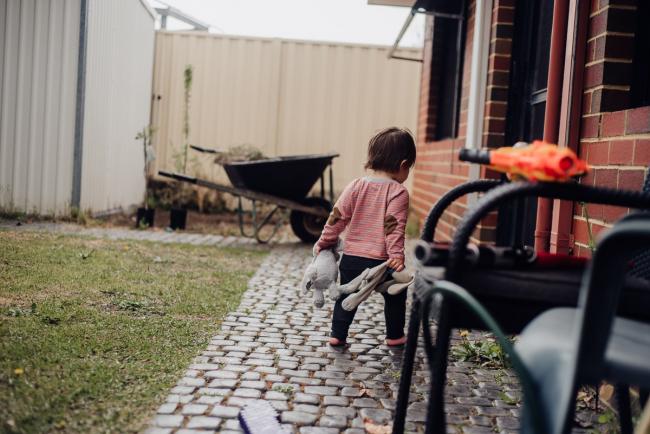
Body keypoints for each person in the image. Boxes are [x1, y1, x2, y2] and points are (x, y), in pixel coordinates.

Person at [314, 127, 416, 347]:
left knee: (346, 295)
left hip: (352, 258)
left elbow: (337, 217)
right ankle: (395, 336)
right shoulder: (398, 192)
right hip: (382, 261)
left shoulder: (356, 185)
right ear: (403, 165)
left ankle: (337, 334)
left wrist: (325, 241)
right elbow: (393, 226)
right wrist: (396, 255)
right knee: (395, 294)